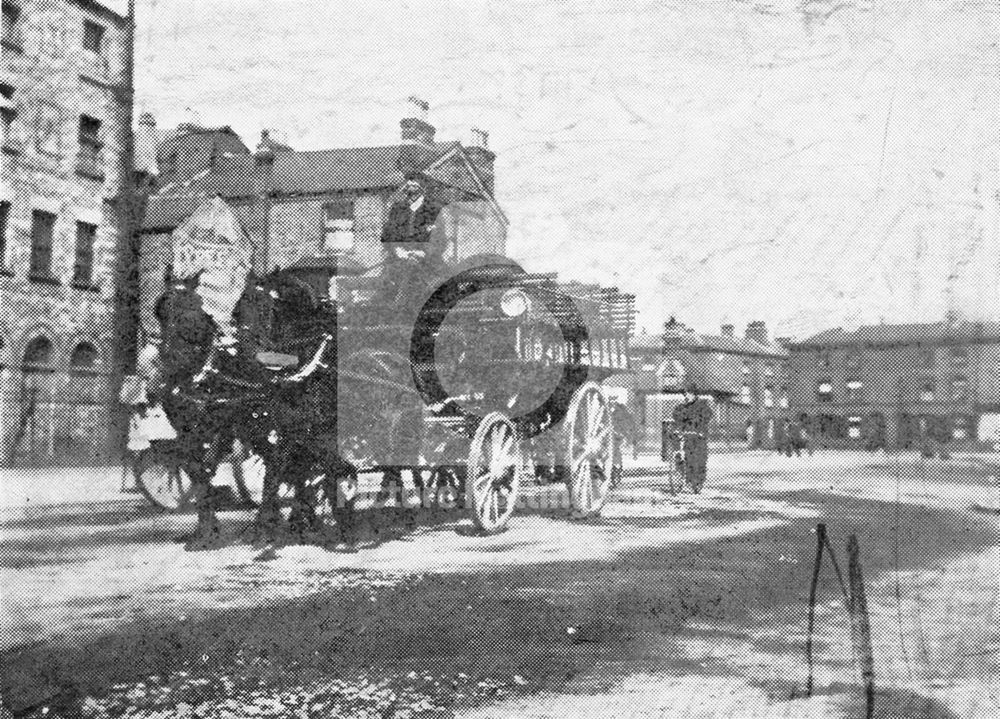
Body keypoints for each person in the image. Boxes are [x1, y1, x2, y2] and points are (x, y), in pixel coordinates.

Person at [377, 174, 449, 308]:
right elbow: (387, 236)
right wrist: (398, 251)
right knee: (385, 285)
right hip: (399, 259)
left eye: (416, 184)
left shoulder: (434, 209)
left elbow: (440, 240)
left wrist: (423, 253)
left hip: (428, 261)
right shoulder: (397, 209)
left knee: (441, 287)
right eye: (408, 184)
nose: (411, 187)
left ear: (423, 187)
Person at [671, 383, 713, 493]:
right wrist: (679, 425)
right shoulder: (681, 407)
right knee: (688, 459)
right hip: (687, 436)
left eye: (689, 394)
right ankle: (688, 480)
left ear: (694, 395)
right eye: (685, 394)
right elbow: (676, 416)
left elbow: (706, 417)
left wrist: (698, 427)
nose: (686, 396)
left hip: (698, 437)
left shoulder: (702, 406)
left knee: (699, 460)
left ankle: (698, 482)